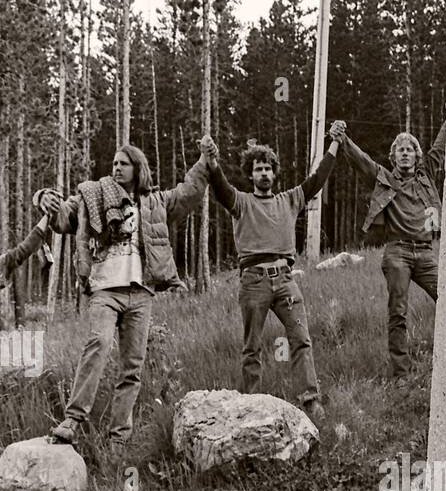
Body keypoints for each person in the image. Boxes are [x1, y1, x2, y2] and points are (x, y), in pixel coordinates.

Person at [43, 139, 214, 453]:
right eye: (114, 163)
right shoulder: (93, 194)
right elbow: (66, 215)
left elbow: (189, 192)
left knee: (132, 368)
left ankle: (118, 441)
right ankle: (72, 421)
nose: (115, 168)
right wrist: (46, 200)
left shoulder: (155, 202)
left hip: (141, 293)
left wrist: (204, 162)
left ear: (138, 168)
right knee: (98, 343)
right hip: (104, 290)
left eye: (123, 163)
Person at [205, 131, 340, 424]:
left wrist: (335, 144)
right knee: (252, 346)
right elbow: (221, 188)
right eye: (258, 169)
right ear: (251, 175)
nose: (264, 173)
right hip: (253, 281)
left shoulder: (289, 199)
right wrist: (213, 162)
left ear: (274, 173)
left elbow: (317, 179)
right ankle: (251, 405)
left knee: (301, 338)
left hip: (286, 280)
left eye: (268, 168)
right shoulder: (241, 202)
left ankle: (310, 400)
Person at [331, 110, 446, 380]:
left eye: (410, 150)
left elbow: (440, 147)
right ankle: (401, 375)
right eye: (400, 150)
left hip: (426, 251)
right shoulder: (384, 177)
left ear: (417, 156)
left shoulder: (426, 173)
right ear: (393, 157)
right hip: (398, 253)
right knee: (398, 312)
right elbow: (361, 161)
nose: (405, 154)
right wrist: (343, 138)